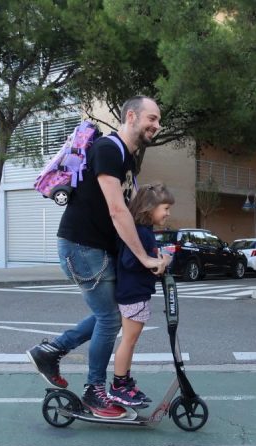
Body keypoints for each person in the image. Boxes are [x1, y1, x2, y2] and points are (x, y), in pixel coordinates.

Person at [27, 96, 169, 419]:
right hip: (81, 247)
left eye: (159, 121)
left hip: (93, 248)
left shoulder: (128, 160)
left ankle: (50, 352)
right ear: (131, 116)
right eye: (152, 118)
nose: (157, 126)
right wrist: (145, 261)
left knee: (112, 312)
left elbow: (132, 214)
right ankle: (95, 391)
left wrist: (151, 250)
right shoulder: (108, 149)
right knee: (109, 318)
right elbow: (118, 212)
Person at [107, 183, 174, 407]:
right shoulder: (141, 233)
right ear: (149, 208)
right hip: (134, 293)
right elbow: (130, 261)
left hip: (135, 292)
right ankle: (118, 386)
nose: (168, 213)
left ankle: (124, 383)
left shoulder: (142, 231)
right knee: (129, 340)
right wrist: (159, 263)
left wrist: (158, 259)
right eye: (165, 208)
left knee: (131, 341)